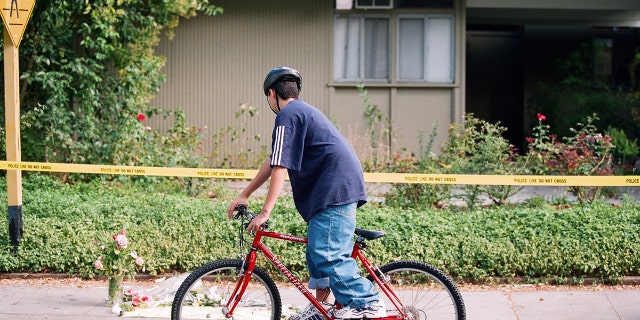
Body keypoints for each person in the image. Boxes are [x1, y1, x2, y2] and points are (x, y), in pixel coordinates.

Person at [227, 67, 386, 320]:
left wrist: (265, 212)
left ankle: (367, 302)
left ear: (272, 94)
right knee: (316, 252)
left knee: (329, 255)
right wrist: (245, 193)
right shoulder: (300, 112)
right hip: (333, 188)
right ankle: (321, 308)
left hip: (334, 189)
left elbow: (280, 165)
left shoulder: (287, 116)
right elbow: (273, 160)